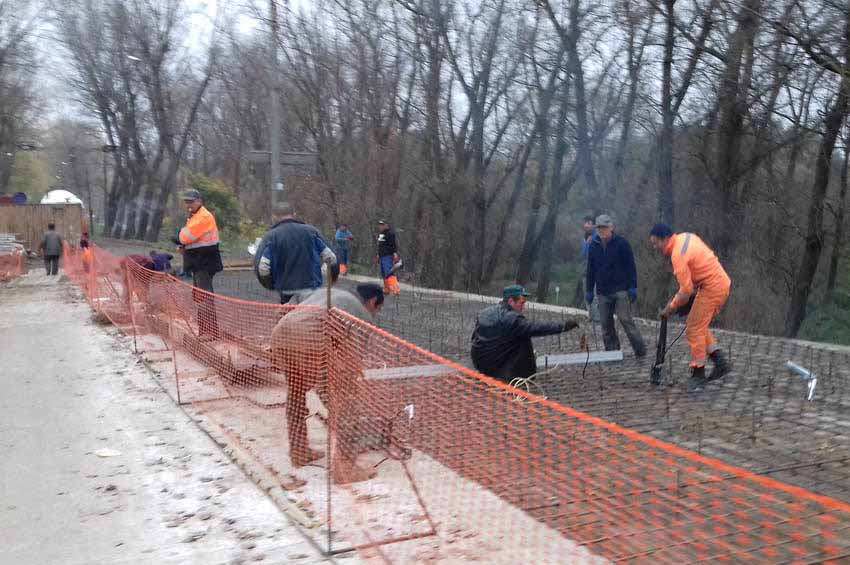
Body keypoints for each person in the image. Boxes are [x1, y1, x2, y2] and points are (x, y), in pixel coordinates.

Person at [271, 279, 385, 484]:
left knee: (296, 392)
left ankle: (299, 451)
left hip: (281, 333)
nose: (375, 315)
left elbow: (287, 305)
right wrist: (349, 382)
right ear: (373, 301)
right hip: (312, 337)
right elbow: (353, 357)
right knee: (345, 404)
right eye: (377, 310)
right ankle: (344, 469)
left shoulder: (328, 294)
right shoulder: (360, 312)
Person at [650, 223, 733, 392]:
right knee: (699, 325)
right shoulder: (686, 237)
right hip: (719, 282)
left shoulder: (677, 255)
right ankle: (720, 362)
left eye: (656, 242)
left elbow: (686, 290)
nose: (655, 247)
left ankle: (698, 374)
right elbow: (700, 265)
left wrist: (671, 307)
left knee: (694, 328)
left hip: (712, 287)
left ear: (665, 239)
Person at [471, 284, 580, 383]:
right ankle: (518, 377)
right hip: (493, 366)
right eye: (521, 303)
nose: (523, 307)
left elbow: (474, 338)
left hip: (480, 363)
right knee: (523, 339)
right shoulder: (512, 318)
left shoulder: (485, 312)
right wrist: (563, 326)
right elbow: (537, 328)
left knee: (514, 337)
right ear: (510, 301)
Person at [586, 214, 646, 357]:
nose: (602, 231)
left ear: (611, 227)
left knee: (625, 319)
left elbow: (630, 266)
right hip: (602, 291)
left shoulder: (622, 243)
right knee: (605, 324)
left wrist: (633, 286)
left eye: (604, 228)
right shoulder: (593, 246)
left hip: (621, 289)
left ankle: (640, 350)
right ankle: (612, 353)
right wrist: (589, 290)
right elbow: (590, 269)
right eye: (599, 228)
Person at [254, 201, 337, 304]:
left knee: (289, 318)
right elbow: (331, 257)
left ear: (274, 217)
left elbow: (262, 268)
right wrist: (333, 276)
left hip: (286, 291)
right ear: (294, 214)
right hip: (311, 290)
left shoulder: (271, 237)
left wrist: (271, 284)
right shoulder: (311, 232)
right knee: (311, 318)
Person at [176, 189, 223, 338]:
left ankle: (210, 331)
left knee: (204, 296)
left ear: (199, 201)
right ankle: (205, 330)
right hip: (199, 262)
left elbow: (184, 237)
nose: (189, 204)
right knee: (199, 296)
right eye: (187, 202)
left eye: (191, 201)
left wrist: (181, 238)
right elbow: (190, 240)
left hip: (204, 263)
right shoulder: (195, 216)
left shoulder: (203, 217)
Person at [376, 220, 400, 295]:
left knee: (389, 272)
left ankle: (396, 289)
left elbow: (394, 244)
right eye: (379, 225)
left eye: (382, 225)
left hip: (388, 256)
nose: (380, 226)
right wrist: (378, 255)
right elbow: (380, 245)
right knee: (384, 273)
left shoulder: (390, 234)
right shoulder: (381, 234)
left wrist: (395, 253)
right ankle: (387, 288)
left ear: (386, 225)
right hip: (382, 256)